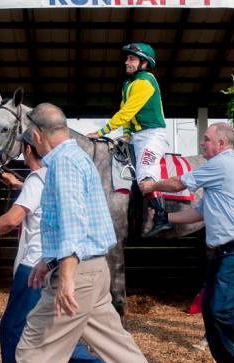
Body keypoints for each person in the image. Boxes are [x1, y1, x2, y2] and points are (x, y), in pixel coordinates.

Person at [0, 104, 185, 363]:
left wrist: (64, 275)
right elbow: (82, 219)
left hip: (77, 274)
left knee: (34, 351)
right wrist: (48, 261)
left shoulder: (62, 165)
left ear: (36, 134)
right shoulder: (78, 159)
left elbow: (70, 222)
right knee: (121, 350)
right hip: (94, 269)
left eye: (26, 140)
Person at [0, 127, 110, 363]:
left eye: (22, 148)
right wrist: (18, 185)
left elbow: (12, 219)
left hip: (33, 268)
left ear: (28, 150)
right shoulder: (53, 177)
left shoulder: (36, 180)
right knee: (44, 330)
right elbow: (41, 198)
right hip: (54, 264)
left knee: (12, 329)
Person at [143, 123, 234, 363]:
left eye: (206, 139)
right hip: (227, 251)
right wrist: (165, 217)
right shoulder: (221, 173)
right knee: (210, 308)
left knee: (221, 310)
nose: (202, 144)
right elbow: (199, 212)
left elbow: (178, 183)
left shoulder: (222, 164)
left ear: (221, 144)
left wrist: (149, 186)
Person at [86, 42, 173, 238]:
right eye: (127, 58)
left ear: (144, 63)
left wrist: (102, 132)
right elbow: (127, 117)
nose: (127, 62)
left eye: (131, 59)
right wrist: (125, 134)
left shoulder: (145, 82)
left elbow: (126, 112)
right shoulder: (128, 84)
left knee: (145, 176)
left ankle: (161, 216)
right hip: (135, 136)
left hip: (152, 136)